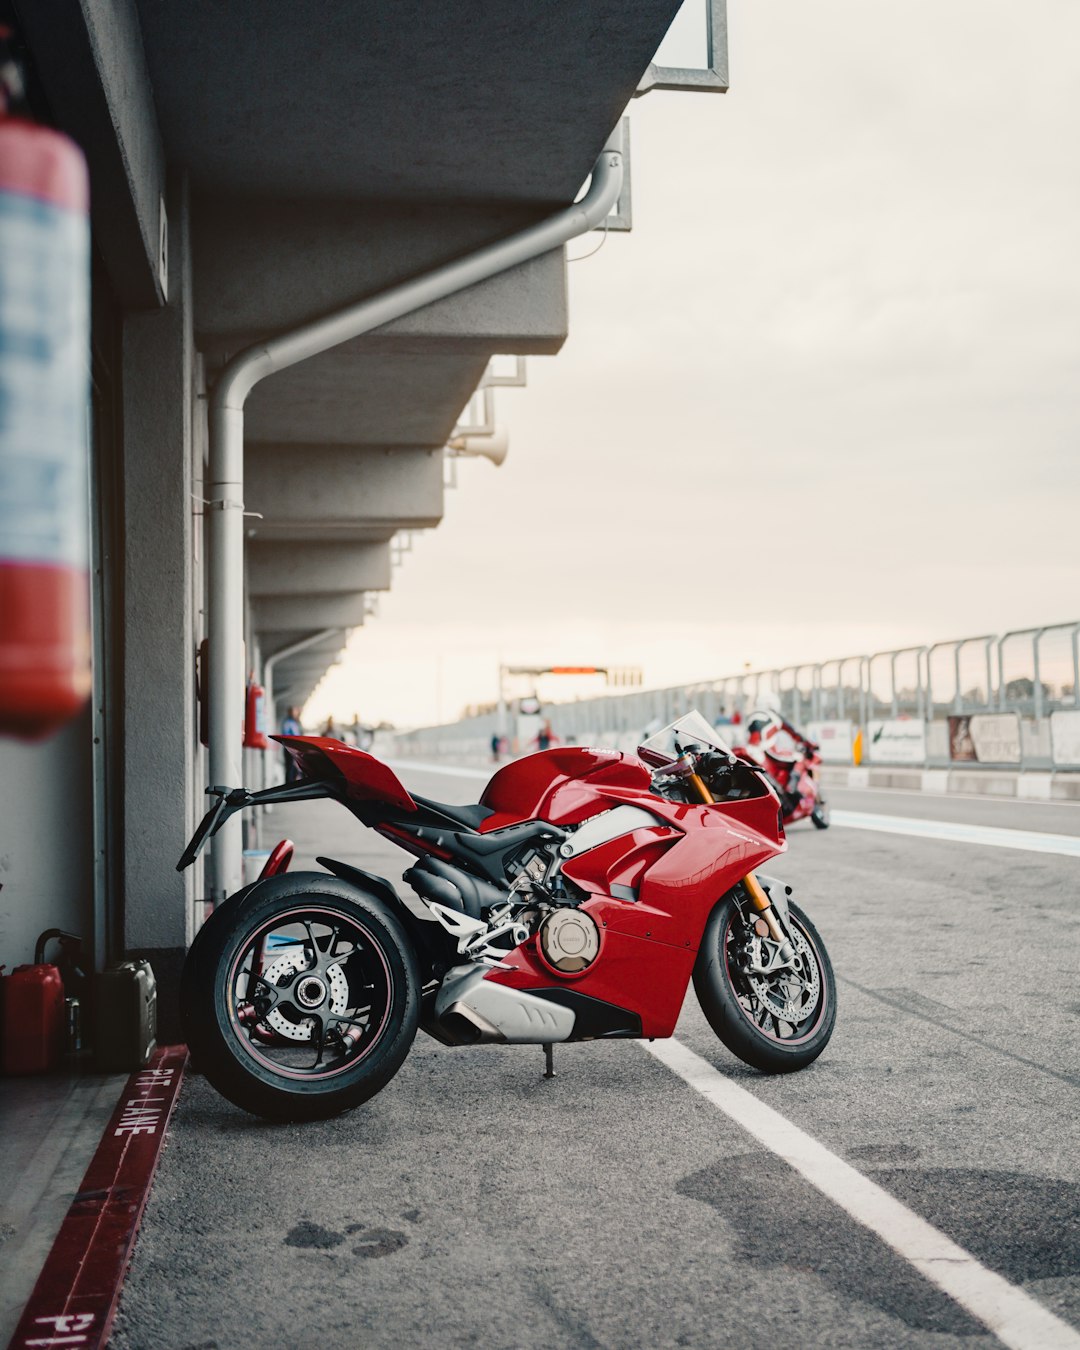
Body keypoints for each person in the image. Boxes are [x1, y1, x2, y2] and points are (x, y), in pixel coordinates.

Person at [281, 706, 302, 783]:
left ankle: (292, 783)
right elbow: (287, 735)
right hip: (289, 748)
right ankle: (289, 784)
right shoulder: (287, 722)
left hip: (294, 748)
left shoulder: (295, 722)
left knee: (294, 768)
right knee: (289, 767)